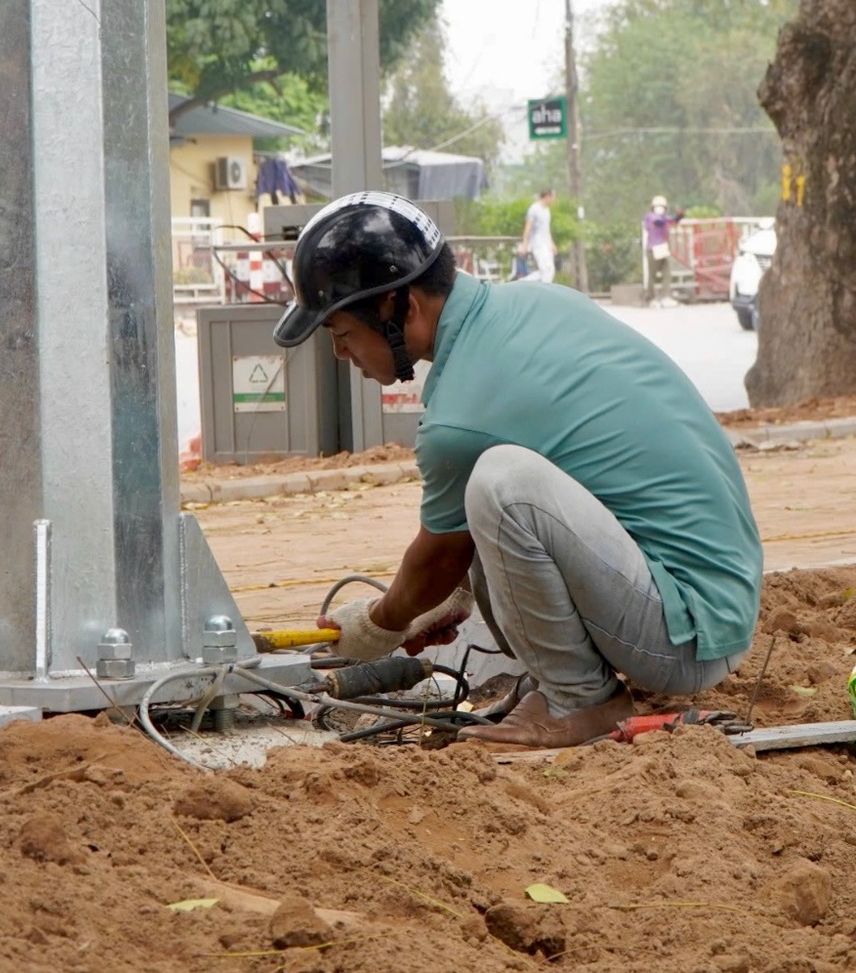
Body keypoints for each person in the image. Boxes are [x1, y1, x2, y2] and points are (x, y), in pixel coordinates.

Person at [273, 192, 763, 749]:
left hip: (686, 638)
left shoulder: (459, 420)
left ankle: (578, 699)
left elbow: (434, 560)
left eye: (341, 335)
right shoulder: (533, 307)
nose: (342, 355)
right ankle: (557, 681)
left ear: (398, 307)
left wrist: (379, 623)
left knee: (501, 481)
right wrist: (455, 594)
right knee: (497, 481)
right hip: (712, 601)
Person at [643, 195, 685, 307]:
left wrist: (679, 216)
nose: (660, 208)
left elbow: (672, 220)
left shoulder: (664, 217)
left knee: (667, 273)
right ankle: (650, 298)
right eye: (658, 206)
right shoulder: (650, 217)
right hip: (653, 249)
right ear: (653, 207)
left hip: (662, 248)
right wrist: (669, 218)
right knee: (652, 275)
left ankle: (666, 296)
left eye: (662, 206)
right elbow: (658, 222)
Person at [516, 188, 556, 283]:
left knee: (548, 270)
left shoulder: (547, 210)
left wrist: (552, 244)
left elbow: (547, 230)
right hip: (538, 244)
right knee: (546, 269)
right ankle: (545, 292)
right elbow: (527, 228)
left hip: (546, 244)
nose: (554, 200)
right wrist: (524, 244)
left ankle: (523, 282)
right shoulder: (534, 209)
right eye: (553, 197)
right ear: (547, 196)